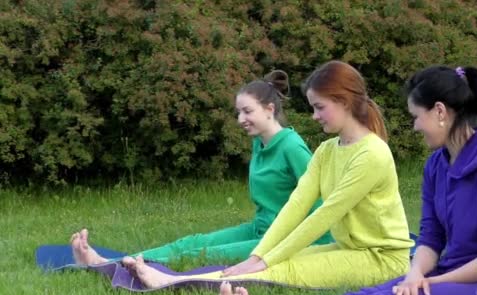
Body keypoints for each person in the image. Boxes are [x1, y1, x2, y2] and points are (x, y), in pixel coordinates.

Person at [215, 65, 477, 295]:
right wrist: (417, 273)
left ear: (439, 112)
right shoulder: (437, 164)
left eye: (416, 116)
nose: (414, 126)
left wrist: (428, 283)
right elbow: (431, 237)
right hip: (450, 273)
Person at [123, 60, 415, 289]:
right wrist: (258, 256)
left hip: (382, 260)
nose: (314, 116)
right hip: (348, 248)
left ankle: (172, 282)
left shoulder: (372, 154)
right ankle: (177, 277)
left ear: (344, 102)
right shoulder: (327, 150)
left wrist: (264, 259)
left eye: (319, 107)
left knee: (281, 269)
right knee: (273, 262)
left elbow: (325, 214)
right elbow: (296, 205)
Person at [69, 70, 333, 266]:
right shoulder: (259, 144)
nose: (241, 119)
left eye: (247, 111)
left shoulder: (292, 147)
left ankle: (111, 266)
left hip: (282, 240)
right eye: (238, 112)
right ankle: (125, 260)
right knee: (193, 242)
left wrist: (306, 246)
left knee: (202, 256)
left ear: (269, 109)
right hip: (260, 229)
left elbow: (318, 201)